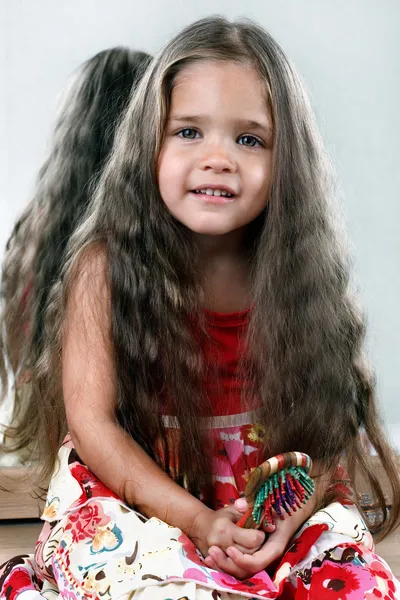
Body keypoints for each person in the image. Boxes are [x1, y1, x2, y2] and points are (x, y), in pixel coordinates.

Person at [1, 16, 398, 599]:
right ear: (148, 144)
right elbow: (93, 427)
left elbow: (327, 425)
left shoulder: (299, 275)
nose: (218, 158)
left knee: (355, 582)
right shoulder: (104, 269)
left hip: (265, 497)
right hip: (138, 494)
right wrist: (195, 519)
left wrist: (286, 517)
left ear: (287, 161)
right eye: (188, 132)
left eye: (249, 139)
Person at [0, 46, 152, 462]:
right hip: (129, 450)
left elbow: (19, 353)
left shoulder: (36, 227)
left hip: (45, 446)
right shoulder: (145, 235)